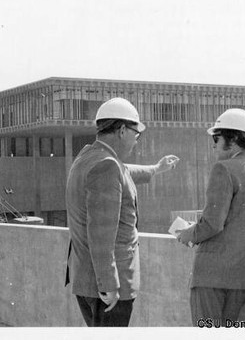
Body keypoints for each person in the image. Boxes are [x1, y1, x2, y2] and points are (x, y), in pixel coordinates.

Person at [65, 97, 179, 327]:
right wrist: (109, 284)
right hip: (107, 288)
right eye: (136, 134)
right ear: (122, 130)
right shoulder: (107, 166)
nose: (136, 141)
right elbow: (101, 234)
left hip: (87, 280)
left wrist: (156, 169)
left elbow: (123, 172)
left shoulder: (89, 157)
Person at [176, 108, 245, 326]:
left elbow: (212, 224)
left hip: (213, 277)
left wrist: (188, 234)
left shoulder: (223, 169)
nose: (213, 145)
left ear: (233, 140)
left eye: (216, 138)